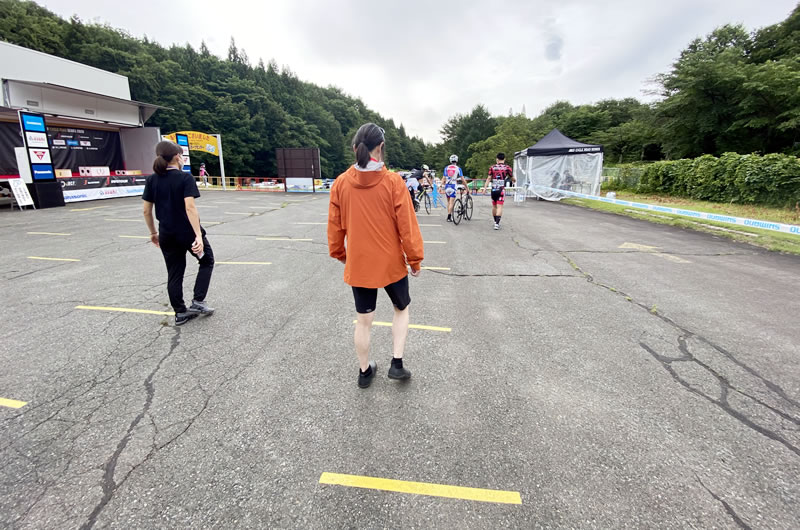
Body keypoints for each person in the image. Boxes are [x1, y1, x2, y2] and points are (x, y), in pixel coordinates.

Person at [328, 123, 424, 388]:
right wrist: (415, 259)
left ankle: (364, 372)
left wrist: (340, 254)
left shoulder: (340, 184)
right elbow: (407, 225)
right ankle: (397, 363)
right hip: (391, 262)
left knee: (363, 320)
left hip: (359, 263)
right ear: (381, 148)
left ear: (354, 148)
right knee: (401, 309)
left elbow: (335, 227)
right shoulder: (393, 182)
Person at [142, 141, 215, 326]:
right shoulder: (184, 178)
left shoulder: (152, 180)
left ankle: (180, 313)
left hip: (167, 234)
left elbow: (146, 211)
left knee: (174, 272)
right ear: (177, 157)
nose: (183, 159)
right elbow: (190, 207)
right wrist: (198, 235)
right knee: (206, 260)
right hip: (187, 234)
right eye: (182, 155)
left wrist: (153, 232)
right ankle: (198, 301)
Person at [483, 152, 515, 230]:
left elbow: (489, 178)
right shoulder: (507, 168)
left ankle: (495, 222)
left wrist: (485, 188)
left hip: (494, 189)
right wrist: (514, 180)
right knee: (500, 206)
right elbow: (512, 178)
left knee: (494, 206)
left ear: (497, 159)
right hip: (501, 189)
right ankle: (497, 224)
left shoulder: (492, 167)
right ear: (504, 159)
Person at [442, 154, 468, 222]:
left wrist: (441, 186)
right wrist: (466, 187)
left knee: (448, 202)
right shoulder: (458, 168)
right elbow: (462, 179)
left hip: (447, 186)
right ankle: (449, 216)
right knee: (451, 202)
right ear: (457, 160)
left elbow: (443, 178)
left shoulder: (446, 168)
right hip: (453, 186)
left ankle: (449, 215)